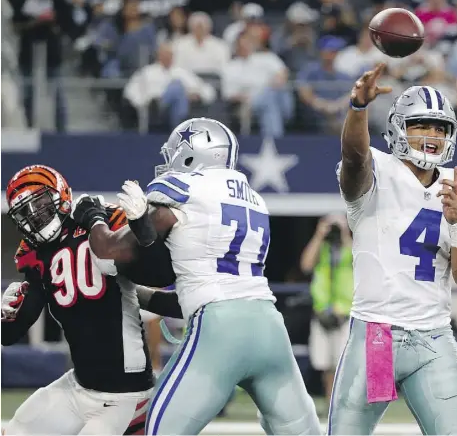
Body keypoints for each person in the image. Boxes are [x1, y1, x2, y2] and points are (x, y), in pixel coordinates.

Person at [70, 117, 322, 436]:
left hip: (218, 330)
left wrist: (92, 218)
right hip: (269, 328)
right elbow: (207, 291)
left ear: (192, 154)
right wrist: (142, 296)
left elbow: (112, 250)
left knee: (159, 430)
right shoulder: (255, 200)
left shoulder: (185, 189)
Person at [329, 64, 457, 435]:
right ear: (398, 128)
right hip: (379, 337)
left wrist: (456, 223)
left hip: (434, 337)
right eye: (420, 125)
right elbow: (354, 157)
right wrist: (357, 109)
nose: (432, 135)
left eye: (440, 127)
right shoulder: (377, 171)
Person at [1, 165, 181, 435]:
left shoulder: (101, 219)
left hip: (126, 394)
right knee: (16, 430)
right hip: (79, 386)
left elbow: (157, 273)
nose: (34, 217)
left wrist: (139, 229)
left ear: (60, 194)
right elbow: (10, 335)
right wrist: (6, 313)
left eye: (38, 204)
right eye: (24, 212)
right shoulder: (35, 252)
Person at [300, 213, 353, 407]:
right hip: (322, 312)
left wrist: (345, 233)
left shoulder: (350, 249)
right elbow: (305, 265)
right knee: (326, 365)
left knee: (344, 363)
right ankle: (332, 403)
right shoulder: (321, 247)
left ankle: (344, 404)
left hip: (344, 313)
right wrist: (319, 235)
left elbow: (360, 263)